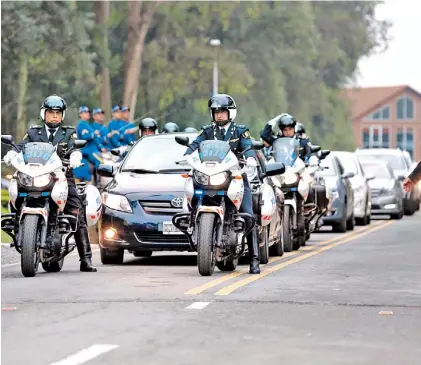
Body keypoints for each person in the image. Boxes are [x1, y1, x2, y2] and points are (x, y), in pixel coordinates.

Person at [3, 95, 97, 272]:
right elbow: (20, 146)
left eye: (57, 113)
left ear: (62, 115)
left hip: (60, 176)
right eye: (51, 113)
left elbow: (75, 148)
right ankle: (16, 223)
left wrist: (75, 157)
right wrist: (11, 154)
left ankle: (86, 258)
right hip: (34, 175)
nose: (54, 116)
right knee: (15, 191)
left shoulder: (69, 133)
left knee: (76, 210)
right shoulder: (33, 132)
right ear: (43, 114)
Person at [185, 93, 260, 274]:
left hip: (234, 176)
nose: (219, 115)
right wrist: (187, 154)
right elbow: (195, 144)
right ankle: (192, 223)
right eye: (215, 111)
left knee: (249, 215)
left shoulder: (240, 131)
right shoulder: (207, 131)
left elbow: (248, 146)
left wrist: (250, 159)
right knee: (191, 194)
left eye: (222, 111)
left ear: (230, 113)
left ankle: (254, 259)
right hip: (211, 177)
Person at [75, 105, 103, 183]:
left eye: (88, 112)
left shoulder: (87, 124)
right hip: (87, 149)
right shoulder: (81, 124)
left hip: (93, 149)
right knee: (100, 161)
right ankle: (98, 183)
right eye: (85, 112)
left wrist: (101, 146)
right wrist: (94, 133)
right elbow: (85, 137)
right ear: (80, 114)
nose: (88, 113)